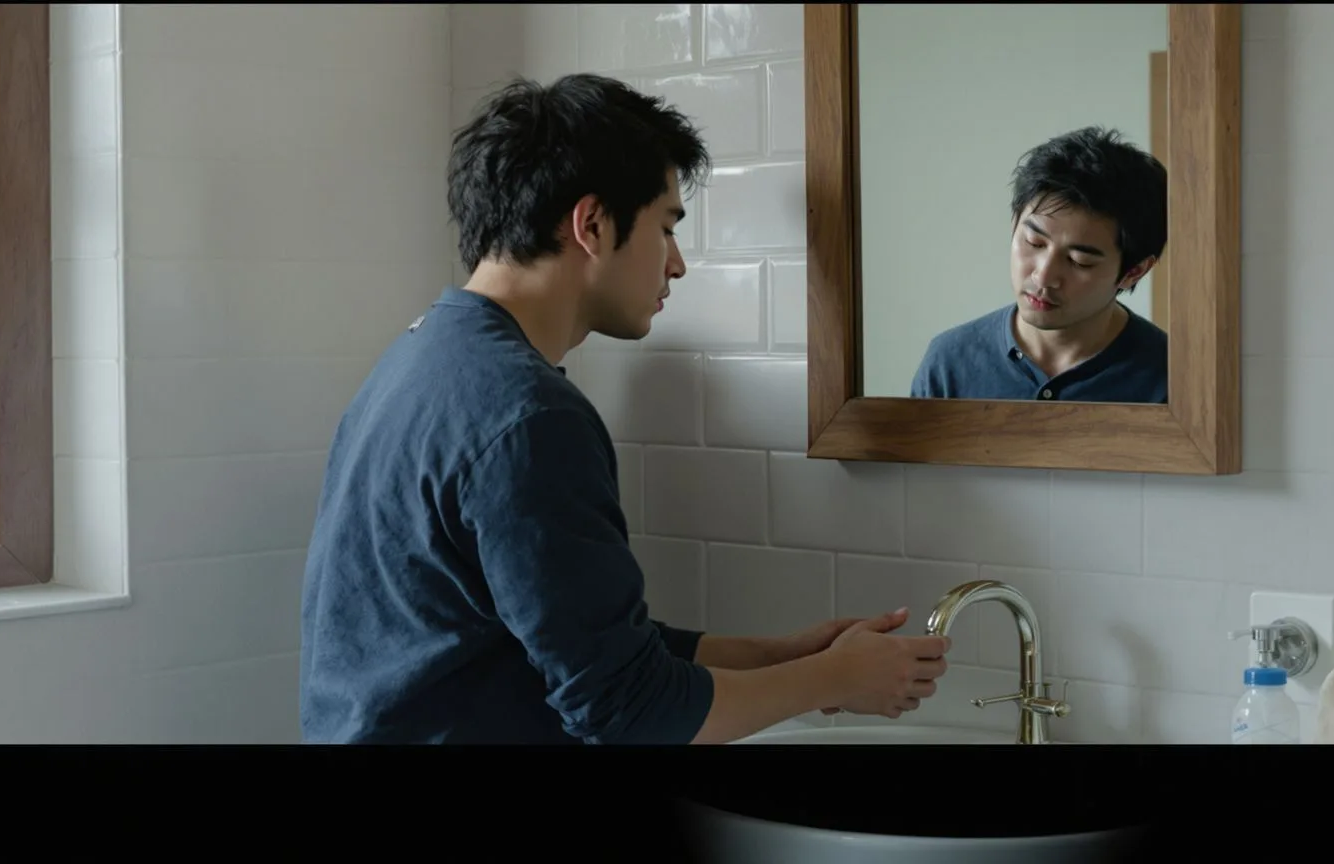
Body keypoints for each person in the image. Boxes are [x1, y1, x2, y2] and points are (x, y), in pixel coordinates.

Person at [298, 73, 951, 745]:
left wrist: (792, 656)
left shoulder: (422, 358)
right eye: (666, 229)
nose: (677, 265)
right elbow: (630, 712)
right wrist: (835, 682)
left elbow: (581, 641)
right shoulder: (530, 418)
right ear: (592, 224)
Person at [909, 126, 1169, 403]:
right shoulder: (950, 362)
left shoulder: (1173, 377)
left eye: (1079, 261)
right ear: (1014, 225)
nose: (1043, 276)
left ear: (1134, 272)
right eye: (1034, 242)